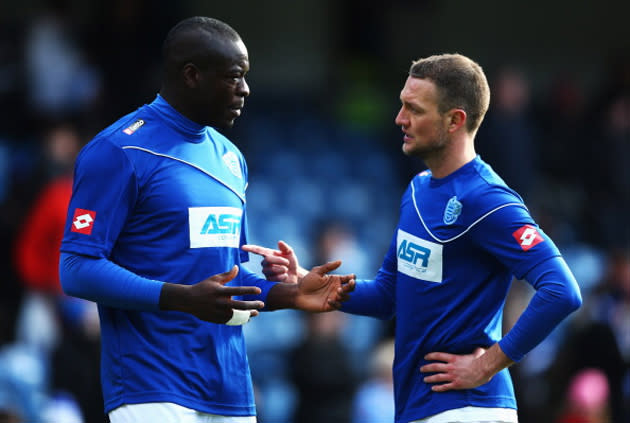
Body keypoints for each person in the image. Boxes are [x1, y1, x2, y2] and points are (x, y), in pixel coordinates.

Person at [245, 53, 583, 423]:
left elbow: (561, 290)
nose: (399, 119)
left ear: (455, 120)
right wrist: (309, 282)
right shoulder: (419, 189)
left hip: (468, 408)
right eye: (402, 105)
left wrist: (489, 363)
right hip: (419, 407)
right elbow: (389, 296)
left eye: (414, 109)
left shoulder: (487, 199)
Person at [58, 16, 355, 423]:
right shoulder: (117, 150)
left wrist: (291, 295)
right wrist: (182, 298)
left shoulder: (231, 159)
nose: (245, 89)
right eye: (234, 77)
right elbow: (75, 270)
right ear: (192, 75)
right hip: (151, 385)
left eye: (246, 77)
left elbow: (227, 281)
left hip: (228, 388)